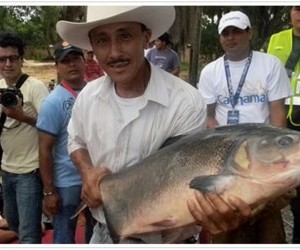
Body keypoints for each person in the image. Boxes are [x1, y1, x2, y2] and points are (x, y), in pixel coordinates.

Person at [56, 6, 252, 244]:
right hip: (104, 234)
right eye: (102, 41)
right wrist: (87, 172)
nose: (115, 52)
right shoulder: (88, 96)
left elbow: (177, 177)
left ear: (146, 37)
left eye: (125, 36)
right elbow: (76, 139)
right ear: (92, 47)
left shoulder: (184, 101)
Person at [197, 11, 292, 243]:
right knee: (227, 220)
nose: (231, 37)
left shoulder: (270, 64)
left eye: (237, 31)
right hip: (227, 155)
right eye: (226, 33)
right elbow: (209, 118)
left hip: (262, 154)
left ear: (249, 33)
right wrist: (220, 154)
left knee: (267, 224)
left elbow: (277, 112)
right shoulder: (211, 71)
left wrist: (277, 157)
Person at [36, 41, 94, 243]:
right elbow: (44, 150)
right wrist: (49, 191)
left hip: (94, 178)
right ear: (57, 67)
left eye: (76, 59)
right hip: (67, 183)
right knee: (63, 236)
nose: (72, 65)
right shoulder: (53, 102)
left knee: (96, 235)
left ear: (84, 61)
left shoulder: (95, 93)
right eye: (65, 61)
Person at [0, 32, 49, 243]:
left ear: (22, 59)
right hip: (6, 169)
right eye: (2, 59)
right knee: (13, 223)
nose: (8, 64)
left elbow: (50, 128)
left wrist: (23, 116)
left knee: (28, 236)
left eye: (13, 58)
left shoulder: (36, 88)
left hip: (30, 171)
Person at [263, 6, 300, 244]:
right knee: (289, 193)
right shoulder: (277, 40)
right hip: (284, 126)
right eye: (296, 8)